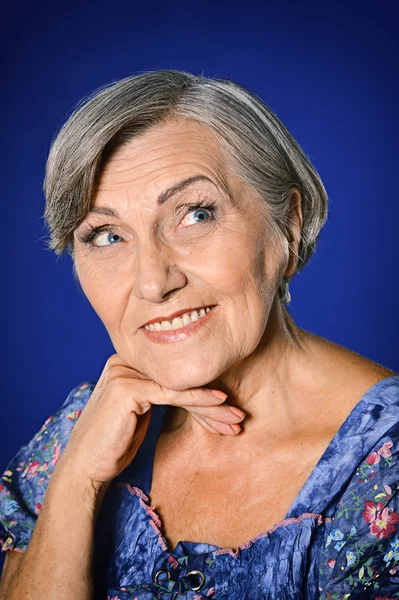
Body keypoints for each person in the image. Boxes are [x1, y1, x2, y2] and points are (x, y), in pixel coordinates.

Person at [0, 70, 398, 600]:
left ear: (289, 225)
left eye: (196, 214)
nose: (152, 281)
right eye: (107, 235)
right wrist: (76, 481)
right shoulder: (83, 427)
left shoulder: (386, 467)